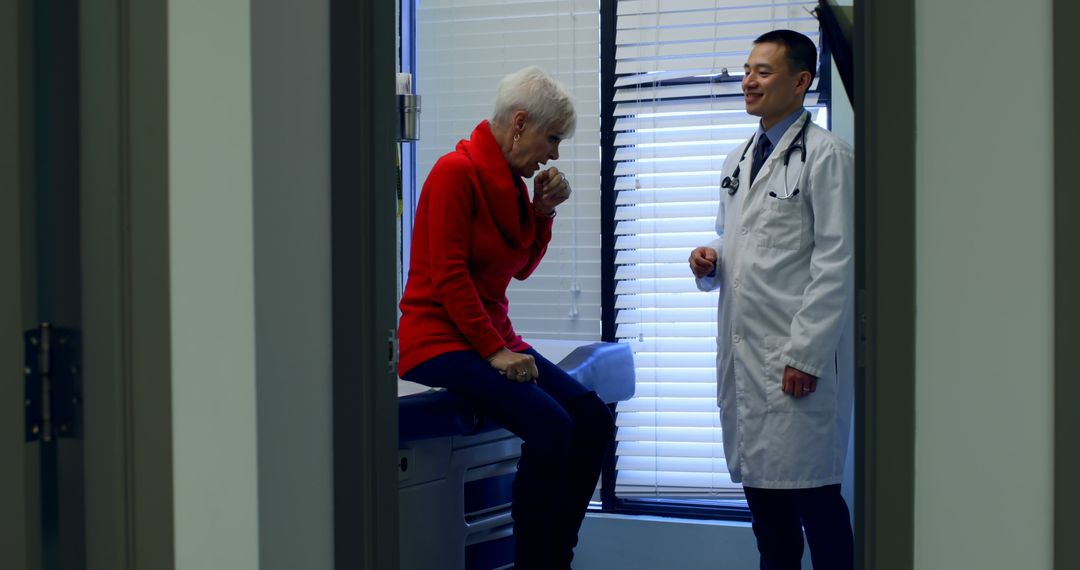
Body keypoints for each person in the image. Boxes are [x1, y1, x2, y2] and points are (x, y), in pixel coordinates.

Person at [397, 66, 615, 570]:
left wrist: (542, 213)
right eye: (552, 138)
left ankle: (557, 550)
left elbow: (518, 268)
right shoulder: (456, 172)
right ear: (520, 123)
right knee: (551, 426)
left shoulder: (510, 183)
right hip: (438, 340)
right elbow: (448, 276)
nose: (553, 154)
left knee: (592, 419)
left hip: (487, 332)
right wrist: (496, 352)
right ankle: (536, 560)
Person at [688, 30, 855, 570]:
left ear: (802, 81)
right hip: (747, 358)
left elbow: (837, 263)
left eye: (763, 71)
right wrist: (710, 257)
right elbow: (735, 235)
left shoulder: (828, 158)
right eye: (746, 70)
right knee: (769, 522)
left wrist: (805, 355)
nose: (748, 81)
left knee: (818, 507)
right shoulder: (737, 159)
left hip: (792, 359)